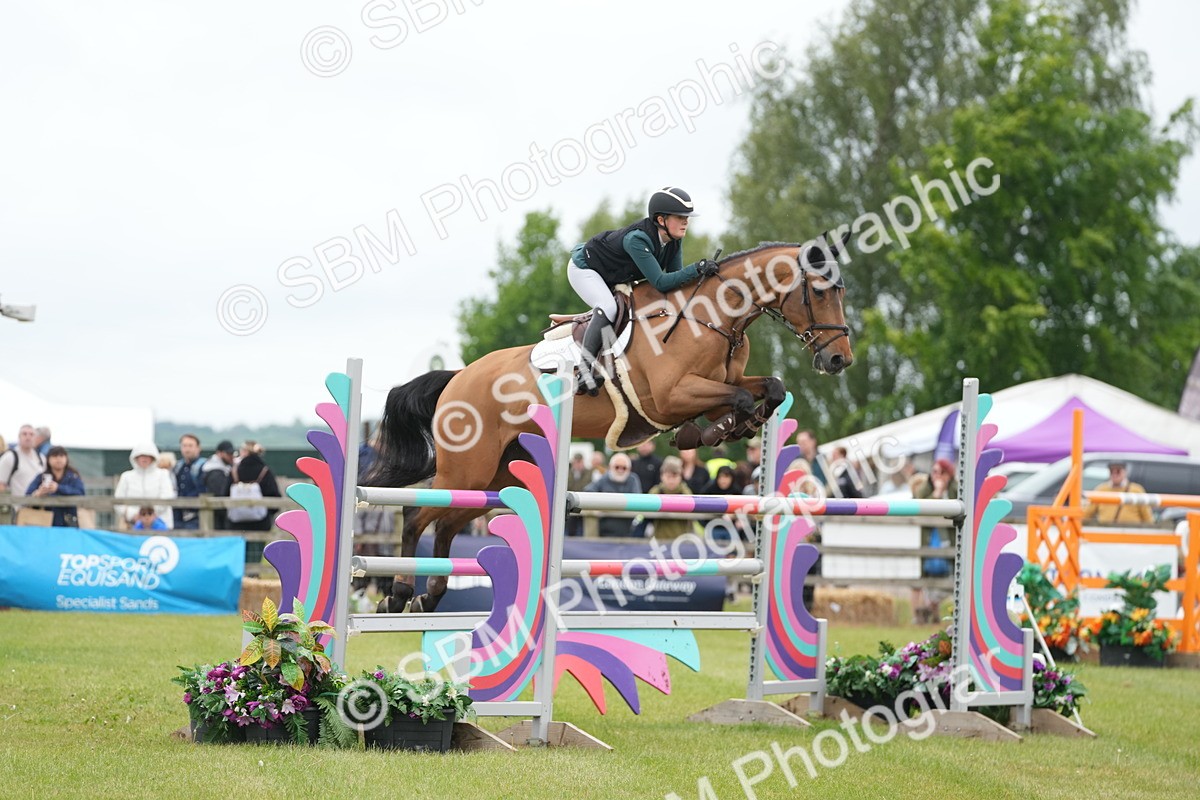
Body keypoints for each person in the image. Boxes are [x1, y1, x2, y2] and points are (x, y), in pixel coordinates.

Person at [566, 187, 720, 394]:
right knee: (608, 307)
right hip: (585, 269)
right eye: (680, 217)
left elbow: (675, 282)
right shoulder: (637, 239)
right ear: (661, 219)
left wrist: (702, 276)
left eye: (687, 217)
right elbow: (661, 282)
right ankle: (584, 370)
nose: (686, 221)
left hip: (614, 272)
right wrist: (697, 268)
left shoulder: (673, 240)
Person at [911, 458, 958, 623]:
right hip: (930, 541)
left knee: (953, 576)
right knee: (930, 574)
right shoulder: (925, 489)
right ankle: (930, 611)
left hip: (951, 541)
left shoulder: (956, 489)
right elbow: (923, 510)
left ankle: (931, 607)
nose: (937, 476)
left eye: (941, 472)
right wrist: (936, 494)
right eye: (934, 472)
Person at [229, 446, 281, 562]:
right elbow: (274, 496)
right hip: (260, 522)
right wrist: (268, 513)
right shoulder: (265, 471)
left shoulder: (234, 471)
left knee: (239, 557)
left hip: (236, 523)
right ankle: (254, 577)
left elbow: (224, 493)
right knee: (255, 555)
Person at [115, 443, 177, 529]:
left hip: (160, 526)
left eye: (148, 456)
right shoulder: (126, 476)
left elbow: (167, 496)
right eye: (141, 456)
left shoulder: (163, 475)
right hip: (132, 525)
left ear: (153, 457)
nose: (144, 459)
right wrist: (134, 515)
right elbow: (118, 501)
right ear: (135, 458)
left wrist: (150, 515)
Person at [583, 452, 643, 537]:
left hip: (627, 525)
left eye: (624, 468)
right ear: (611, 467)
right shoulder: (604, 478)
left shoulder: (633, 479)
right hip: (605, 524)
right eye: (617, 467)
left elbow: (638, 499)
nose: (620, 470)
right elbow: (588, 491)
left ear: (629, 469)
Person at [25, 446, 86, 527]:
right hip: (45, 521)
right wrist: (39, 493)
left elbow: (81, 492)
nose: (58, 459)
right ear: (48, 459)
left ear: (66, 458)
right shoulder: (41, 477)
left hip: (69, 521)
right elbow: (27, 496)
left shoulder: (73, 476)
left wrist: (58, 488)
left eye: (61, 456)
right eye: (55, 456)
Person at [1082, 461, 1154, 525]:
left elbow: (1147, 517)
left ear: (1125, 472)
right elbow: (1087, 514)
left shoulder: (1136, 490)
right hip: (1106, 532)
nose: (1114, 474)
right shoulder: (1101, 490)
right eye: (1112, 471)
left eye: (1118, 471)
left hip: (1132, 533)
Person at [647, 456, 700, 540]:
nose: (671, 480)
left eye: (674, 476)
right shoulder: (656, 491)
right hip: (659, 541)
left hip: (682, 542)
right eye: (668, 476)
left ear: (680, 476)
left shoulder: (685, 492)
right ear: (662, 476)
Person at [0, 425, 45, 497]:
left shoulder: (42, 458)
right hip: (16, 506)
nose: (28, 437)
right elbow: (1, 484)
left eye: (31, 434)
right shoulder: (10, 457)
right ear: (19, 437)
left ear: (35, 438)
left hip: (38, 505)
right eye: (24, 434)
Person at [630, 441, 663, 537]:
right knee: (636, 534)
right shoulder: (633, 464)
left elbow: (660, 484)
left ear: (653, 446)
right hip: (637, 506)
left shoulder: (658, 463)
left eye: (646, 444)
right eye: (641, 444)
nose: (644, 447)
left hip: (655, 504)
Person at [174, 434, 207, 530]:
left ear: (198, 448)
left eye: (190, 446)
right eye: (184, 446)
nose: (187, 449)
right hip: (178, 517)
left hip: (197, 517)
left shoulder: (204, 467)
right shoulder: (178, 467)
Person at [202, 440, 236, 528]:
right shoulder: (215, 472)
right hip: (217, 516)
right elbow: (220, 494)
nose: (231, 456)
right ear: (219, 453)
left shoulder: (224, 469)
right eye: (228, 453)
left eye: (231, 453)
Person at [794, 430, 829, 495]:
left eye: (803, 442)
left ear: (813, 442)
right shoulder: (796, 461)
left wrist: (821, 495)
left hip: (821, 498)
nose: (801, 445)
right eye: (798, 443)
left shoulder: (824, 460)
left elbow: (831, 484)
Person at [565, 453, 592, 537]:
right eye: (576, 462)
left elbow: (586, 486)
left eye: (579, 462)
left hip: (584, 504)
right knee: (571, 527)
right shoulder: (568, 473)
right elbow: (568, 486)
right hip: (571, 504)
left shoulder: (589, 472)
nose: (578, 464)